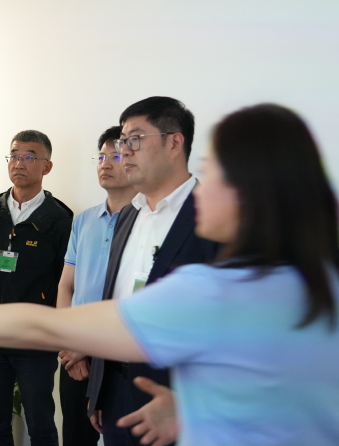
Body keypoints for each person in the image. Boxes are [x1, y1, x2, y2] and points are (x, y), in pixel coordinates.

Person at [0, 103, 339, 446]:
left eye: (214, 171)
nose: (203, 186)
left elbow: (48, 324)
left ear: (252, 191)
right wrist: (193, 406)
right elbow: (274, 397)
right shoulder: (328, 290)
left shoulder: (222, 292)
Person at [87, 97, 219, 446]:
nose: (124, 151)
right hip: (116, 390)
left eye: (135, 139)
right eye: (122, 142)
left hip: (176, 399)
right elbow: (112, 302)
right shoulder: (127, 216)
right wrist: (100, 389)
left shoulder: (214, 218)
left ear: (174, 143)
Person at [0, 130, 72, 446]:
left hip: (35, 338)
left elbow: (63, 281)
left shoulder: (59, 218)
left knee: (40, 423)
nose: (19, 163)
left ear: (47, 166)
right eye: (14, 156)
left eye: (29, 156)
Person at [57, 126, 138, 446]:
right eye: (101, 157)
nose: (105, 164)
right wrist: (68, 347)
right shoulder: (83, 220)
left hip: (119, 359)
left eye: (115, 157)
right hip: (75, 355)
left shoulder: (146, 221)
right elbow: (66, 286)